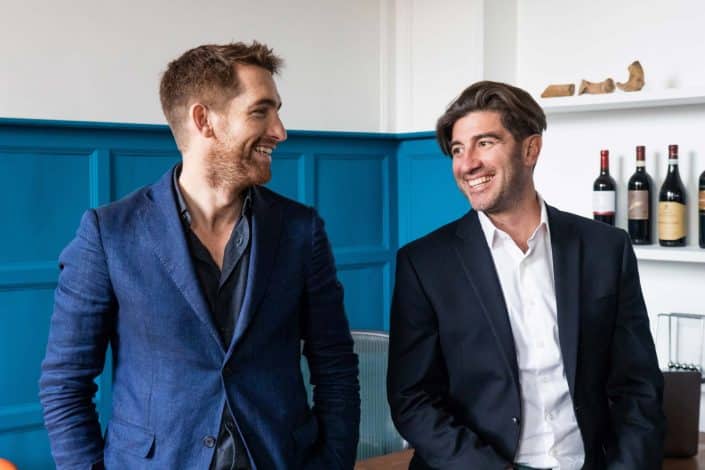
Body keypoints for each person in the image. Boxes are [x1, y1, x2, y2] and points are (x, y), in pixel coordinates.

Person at [39, 42, 360, 470]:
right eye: (260, 112)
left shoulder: (301, 230)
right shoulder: (108, 233)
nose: (280, 131)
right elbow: (65, 384)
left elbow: (336, 366)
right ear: (203, 120)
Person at [387, 81, 664, 469]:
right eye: (458, 149)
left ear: (530, 149)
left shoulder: (605, 249)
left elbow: (638, 386)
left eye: (485, 143)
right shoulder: (424, 264)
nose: (467, 164)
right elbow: (412, 400)